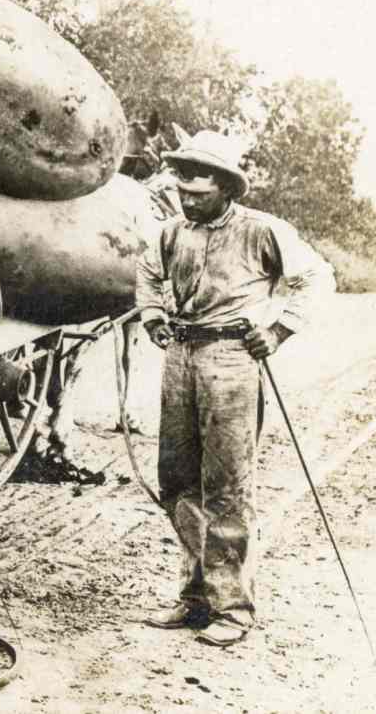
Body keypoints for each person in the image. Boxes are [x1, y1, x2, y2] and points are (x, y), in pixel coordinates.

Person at [134, 130, 335, 647]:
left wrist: (277, 330)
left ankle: (234, 608)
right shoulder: (171, 232)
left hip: (231, 359)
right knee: (177, 479)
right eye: (182, 190)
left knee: (226, 483)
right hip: (180, 355)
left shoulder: (262, 231)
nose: (188, 200)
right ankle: (195, 596)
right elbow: (148, 275)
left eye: (199, 193)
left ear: (226, 188)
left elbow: (318, 277)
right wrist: (155, 315)